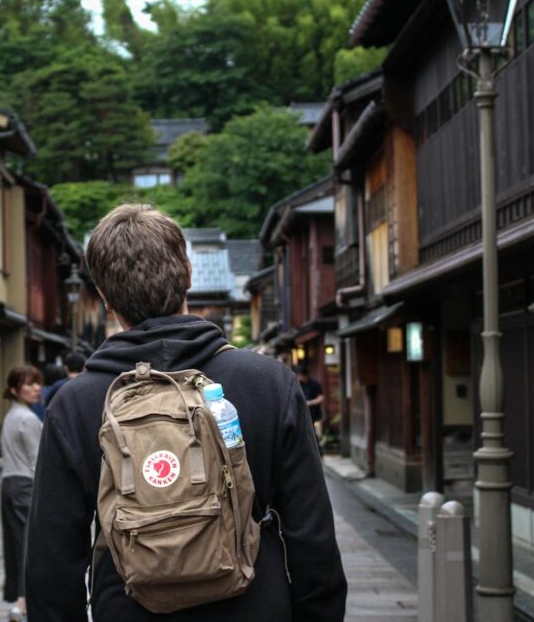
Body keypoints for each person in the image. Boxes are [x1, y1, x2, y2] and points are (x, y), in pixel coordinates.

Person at [25, 204, 347, 621]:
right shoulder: (268, 383)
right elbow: (312, 536)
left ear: (104, 296)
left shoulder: (77, 403)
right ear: (189, 275)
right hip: (254, 606)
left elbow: (52, 560)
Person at [0, 365, 44, 622]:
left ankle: (21, 600)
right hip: (26, 484)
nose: (36, 388)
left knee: (18, 545)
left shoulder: (12, 415)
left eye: (37, 383)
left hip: (10, 484)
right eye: (29, 384)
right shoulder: (27, 419)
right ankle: (22, 602)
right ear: (14, 389)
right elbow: (37, 460)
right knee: (29, 545)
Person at [295, 364, 325, 436]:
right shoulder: (297, 385)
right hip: (302, 416)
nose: (300, 378)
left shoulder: (314, 384)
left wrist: (309, 403)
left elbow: (321, 398)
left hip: (314, 414)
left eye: (301, 376)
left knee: (316, 436)